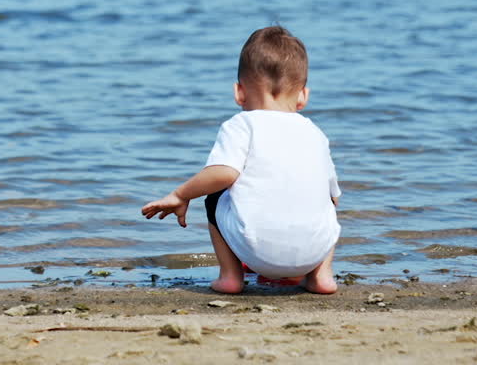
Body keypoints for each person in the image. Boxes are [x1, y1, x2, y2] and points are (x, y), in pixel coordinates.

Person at [140, 26, 341, 295]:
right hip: (312, 252)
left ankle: (230, 276)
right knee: (327, 198)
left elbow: (223, 173)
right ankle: (321, 275)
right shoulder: (316, 133)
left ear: (239, 92)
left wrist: (181, 194)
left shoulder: (242, 124)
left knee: (214, 194)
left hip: (256, 249)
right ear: (303, 95)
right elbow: (334, 197)